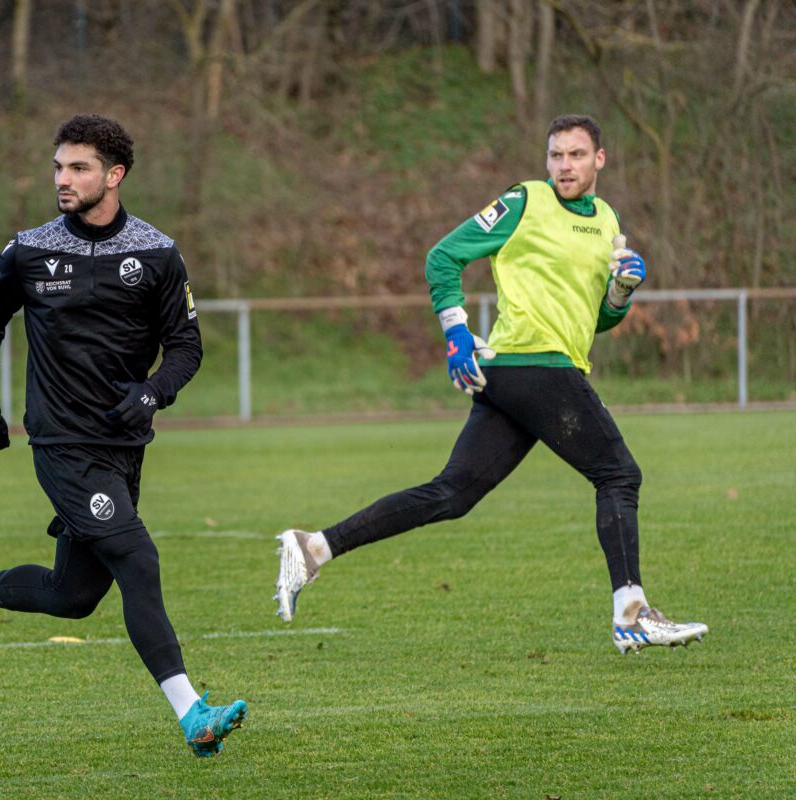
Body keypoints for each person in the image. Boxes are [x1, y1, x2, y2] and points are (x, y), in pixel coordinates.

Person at [274, 114, 708, 655]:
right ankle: (632, 612)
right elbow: (443, 257)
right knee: (619, 474)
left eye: (575, 155)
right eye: (555, 156)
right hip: (532, 365)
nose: (563, 166)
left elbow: (593, 320)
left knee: (451, 495)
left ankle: (313, 548)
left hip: (534, 372)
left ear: (600, 159)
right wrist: (456, 333)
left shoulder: (607, 222)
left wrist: (621, 292)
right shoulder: (525, 201)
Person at [0, 114, 247, 757]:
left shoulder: (156, 252)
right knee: (139, 561)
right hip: (62, 443)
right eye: (59, 166)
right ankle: (192, 713)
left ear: (114, 176)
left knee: (75, 596)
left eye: (79, 168)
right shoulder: (28, 249)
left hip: (124, 446)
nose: (63, 178)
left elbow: (186, 345)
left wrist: (151, 393)